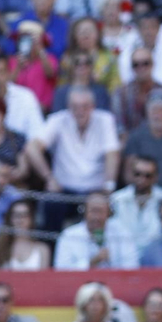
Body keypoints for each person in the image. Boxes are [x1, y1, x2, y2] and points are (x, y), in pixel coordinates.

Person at [26, 89, 121, 232]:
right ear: (69, 107)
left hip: (95, 191)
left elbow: (112, 153)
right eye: (75, 107)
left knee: (107, 206)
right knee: (51, 203)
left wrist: (109, 185)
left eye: (85, 106)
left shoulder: (105, 120)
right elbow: (31, 148)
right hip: (65, 190)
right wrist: (49, 178)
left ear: (92, 107)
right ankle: (51, 250)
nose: (80, 111)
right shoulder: (58, 120)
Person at [54, 191, 139, 270]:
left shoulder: (123, 234)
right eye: (93, 211)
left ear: (108, 213)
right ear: (84, 212)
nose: (96, 217)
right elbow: (61, 270)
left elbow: (132, 267)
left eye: (101, 212)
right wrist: (91, 263)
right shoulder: (68, 236)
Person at [0, 50, 46, 141]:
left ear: (8, 72)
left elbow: (37, 133)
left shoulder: (26, 97)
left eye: (0, 72)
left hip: (21, 152)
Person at [109, 155, 162, 253]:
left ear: (156, 178)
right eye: (137, 174)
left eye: (147, 175)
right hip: (123, 254)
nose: (142, 179)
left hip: (156, 255)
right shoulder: (116, 199)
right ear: (131, 174)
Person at [0, 197, 51, 270]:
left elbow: (44, 279)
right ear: (9, 219)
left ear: (31, 219)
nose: (20, 220)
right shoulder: (0, 248)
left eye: (25, 215)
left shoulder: (42, 249)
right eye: (16, 215)